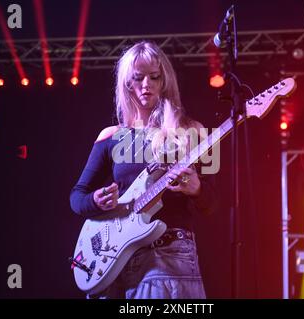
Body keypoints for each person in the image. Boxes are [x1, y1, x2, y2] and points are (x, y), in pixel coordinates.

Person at [70, 41, 216, 299]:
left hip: (168, 255)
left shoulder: (191, 132)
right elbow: (77, 196)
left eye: (154, 77)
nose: (146, 84)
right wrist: (96, 200)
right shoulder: (112, 136)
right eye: (138, 78)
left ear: (165, 81)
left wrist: (198, 189)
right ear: (127, 84)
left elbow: (213, 204)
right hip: (112, 259)